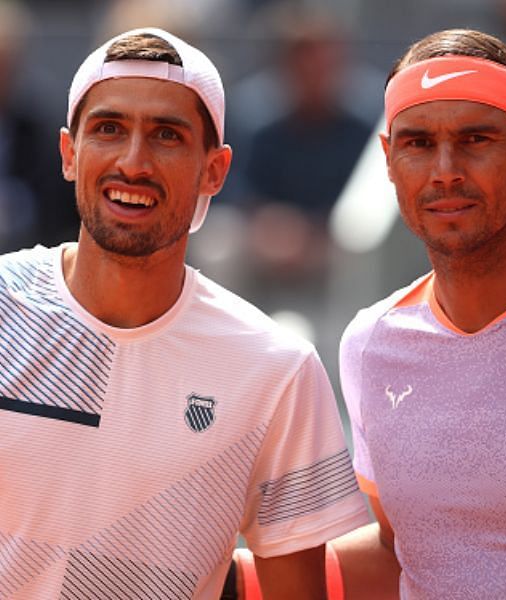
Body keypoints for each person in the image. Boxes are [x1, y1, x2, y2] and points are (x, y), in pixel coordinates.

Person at [0, 28, 370, 598]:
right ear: (69, 154)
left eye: (166, 135)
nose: (133, 161)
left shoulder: (277, 368)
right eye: (108, 129)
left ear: (214, 171)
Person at [333, 28, 506, 599]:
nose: (444, 170)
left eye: (475, 139)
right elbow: (392, 553)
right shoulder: (369, 343)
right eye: (418, 143)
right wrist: (224, 574)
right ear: (388, 156)